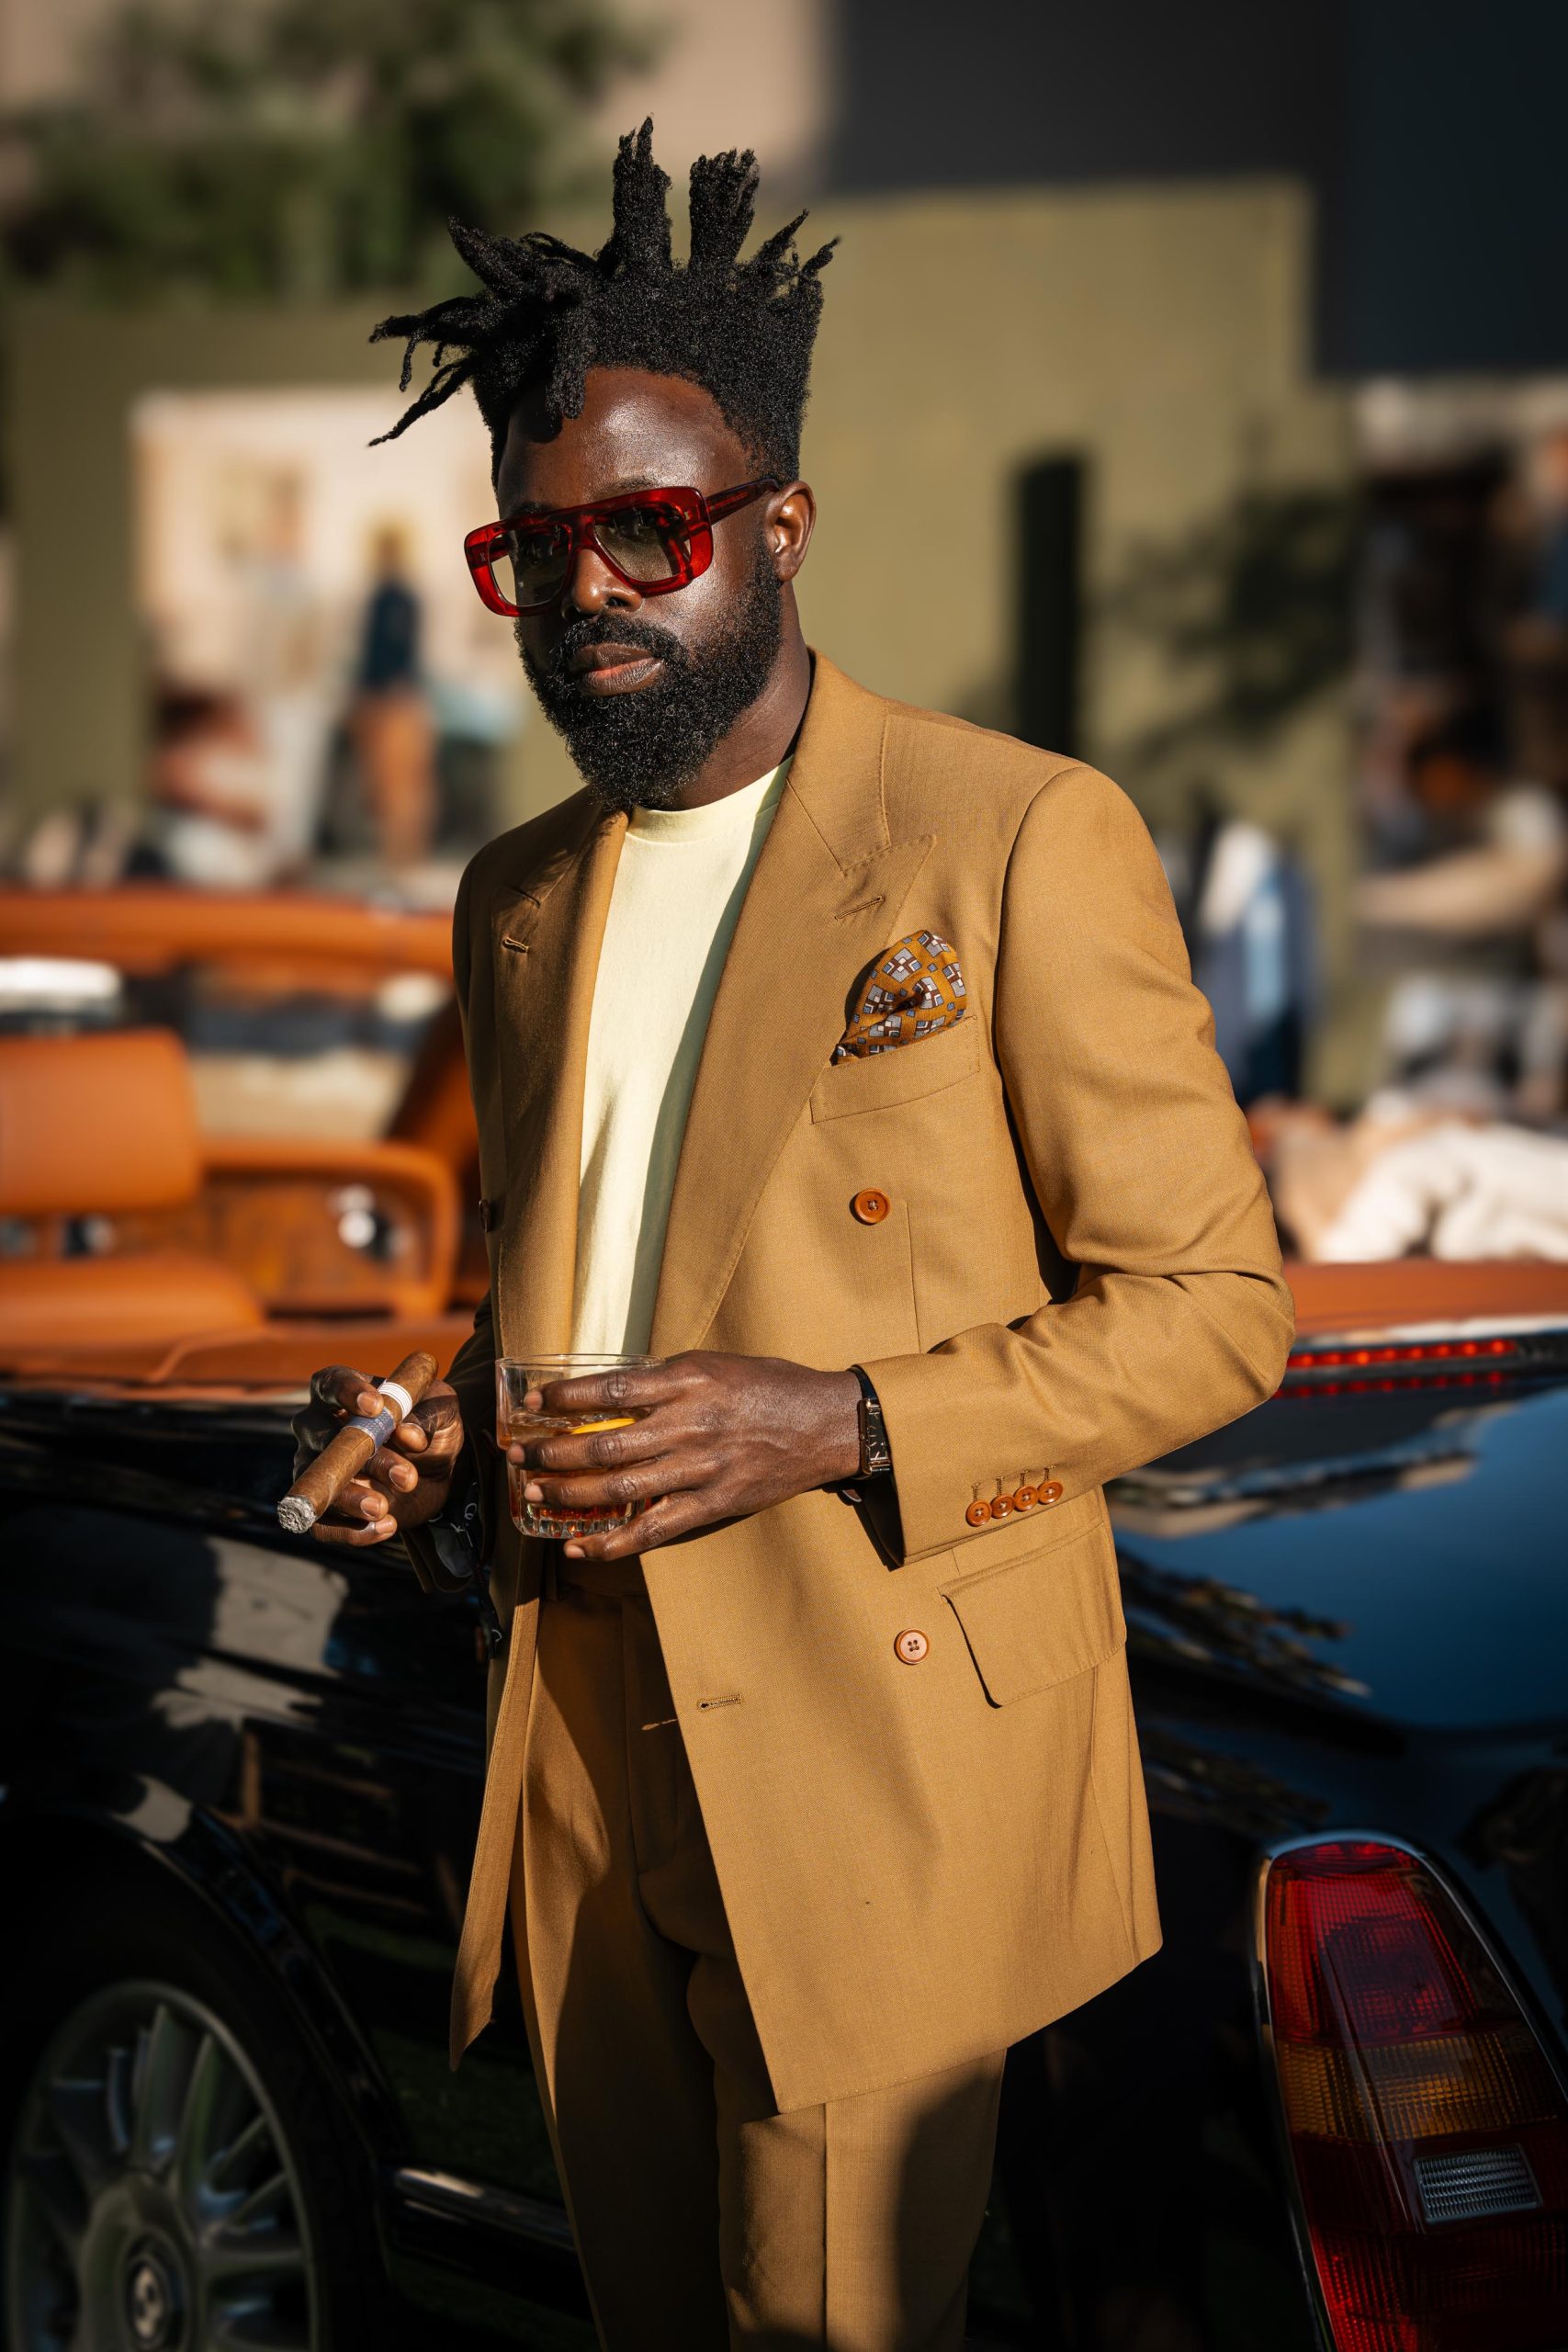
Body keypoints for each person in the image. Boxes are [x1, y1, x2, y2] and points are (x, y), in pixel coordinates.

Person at [292, 123, 1293, 2351]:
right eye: (528, 550)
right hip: (586, 1749)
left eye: (643, 526)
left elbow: (1217, 1314)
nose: (588, 593)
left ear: (777, 524)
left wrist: (835, 1416)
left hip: (880, 1756)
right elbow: (584, 1268)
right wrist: (442, 1413)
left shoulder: (1011, 833)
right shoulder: (517, 899)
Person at [351, 520, 437, 871]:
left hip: (393, 699)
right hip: (386, 698)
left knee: (400, 783)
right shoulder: (385, 597)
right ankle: (398, 856)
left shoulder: (397, 599)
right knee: (388, 784)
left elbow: (393, 653)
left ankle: (403, 856)